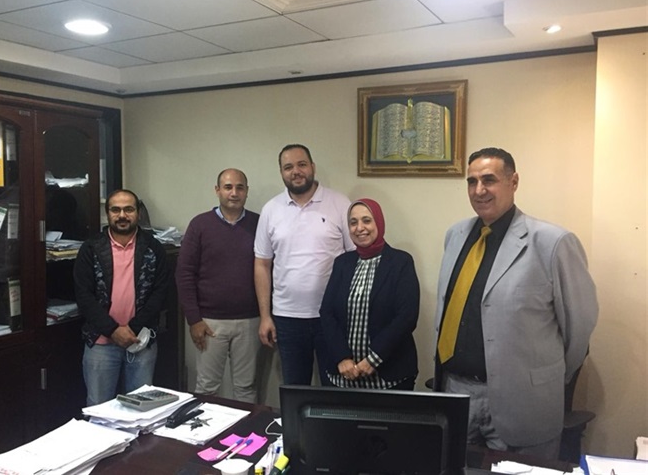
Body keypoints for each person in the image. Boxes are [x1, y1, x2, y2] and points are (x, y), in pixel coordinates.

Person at [434, 147, 598, 458]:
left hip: (522, 399)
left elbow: (579, 327)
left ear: (514, 182)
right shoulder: (455, 235)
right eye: (471, 182)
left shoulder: (552, 242)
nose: (479, 190)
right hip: (456, 393)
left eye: (489, 180)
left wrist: (545, 377)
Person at [254, 144, 355, 386]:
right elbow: (262, 265)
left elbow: (355, 260)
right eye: (288, 167)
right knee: (295, 389)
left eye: (301, 164)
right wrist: (265, 316)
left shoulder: (340, 204)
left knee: (336, 389)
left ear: (313, 167)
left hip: (332, 317)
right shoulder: (271, 209)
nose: (296, 171)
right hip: (287, 318)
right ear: (281, 172)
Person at [74, 189, 169, 406]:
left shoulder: (153, 248)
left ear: (138, 213)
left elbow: (160, 293)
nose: (122, 215)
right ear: (107, 213)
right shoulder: (91, 248)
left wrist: (132, 328)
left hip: (140, 340)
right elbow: (84, 295)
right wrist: (113, 330)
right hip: (100, 342)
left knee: (141, 407)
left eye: (129, 209)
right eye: (115, 210)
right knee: (99, 408)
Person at [176, 169, 261, 402]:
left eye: (240, 187)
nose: (234, 193)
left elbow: (270, 269)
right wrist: (194, 319)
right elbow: (184, 274)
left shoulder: (259, 224)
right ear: (217, 190)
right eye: (228, 187)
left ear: (246, 191)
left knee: (246, 387)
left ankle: (246, 426)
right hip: (209, 322)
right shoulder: (200, 225)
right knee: (207, 387)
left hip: (250, 321)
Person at [319, 199, 420, 390]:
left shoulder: (401, 262)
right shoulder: (342, 263)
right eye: (353, 222)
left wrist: (373, 359)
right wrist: (342, 357)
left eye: (366, 220)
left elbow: (406, 317)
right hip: (344, 375)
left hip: (389, 376)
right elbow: (327, 312)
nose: (360, 228)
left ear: (379, 222)